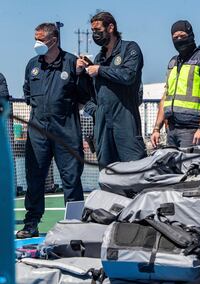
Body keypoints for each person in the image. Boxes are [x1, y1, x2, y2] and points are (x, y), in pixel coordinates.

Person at [16, 23, 92, 238]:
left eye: (40, 40)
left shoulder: (71, 63)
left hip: (66, 129)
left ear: (54, 40)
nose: (36, 44)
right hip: (38, 129)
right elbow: (28, 93)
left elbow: (85, 96)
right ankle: (31, 224)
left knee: (71, 178)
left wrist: (81, 74)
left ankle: (75, 225)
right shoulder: (33, 65)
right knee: (35, 177)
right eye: (35, 38)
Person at [81, 11, 146, 168]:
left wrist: (100, 70)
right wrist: (95, 111)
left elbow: (128, 75)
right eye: (93, 31)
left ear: (110, 27)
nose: (95, 35)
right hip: (103, 122)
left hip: (125, 117)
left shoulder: (130, 48)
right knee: (107, 170)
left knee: (134, 167)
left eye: (98, 30)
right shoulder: (99, 58)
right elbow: (92, 95)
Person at [150, 20, 200, 148]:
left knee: (189, 167)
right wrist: (156, 129)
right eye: (175, 37)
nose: (179, 40)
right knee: (171, 167)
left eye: (182, 36)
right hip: (171, 129)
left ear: (191, 35)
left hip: (192, 130)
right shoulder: (173, 63)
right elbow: (165, 97)